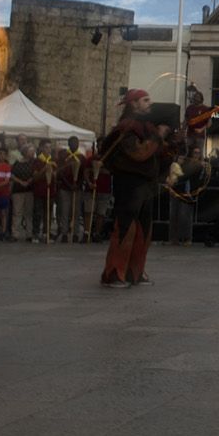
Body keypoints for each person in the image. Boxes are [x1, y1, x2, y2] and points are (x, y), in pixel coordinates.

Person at [98, 89, 172, 287]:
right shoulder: (127, 127)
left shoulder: (147, 126)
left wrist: (171, 143)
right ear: (134, 104)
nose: (150, 103)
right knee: (125, 227)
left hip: (146, 184)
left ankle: (134, 272)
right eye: (145, 100)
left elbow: (159, 155)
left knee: (144, 229)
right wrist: (158, 138)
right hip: (129, 183)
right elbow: (138, 153)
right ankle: (114, 272)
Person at [54, 137, 85, 243]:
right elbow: (60, 172)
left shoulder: (81, 157)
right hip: (65, 188)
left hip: (77, 188)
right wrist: (68, 184)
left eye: (76, 143)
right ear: (68, 144)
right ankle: (64, 233)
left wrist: (78, 184)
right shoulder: (63, 156)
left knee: (76, 212)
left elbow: (83, 173)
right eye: (72, 143)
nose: (74, 145)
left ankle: (75, 233)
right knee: (65, 211)